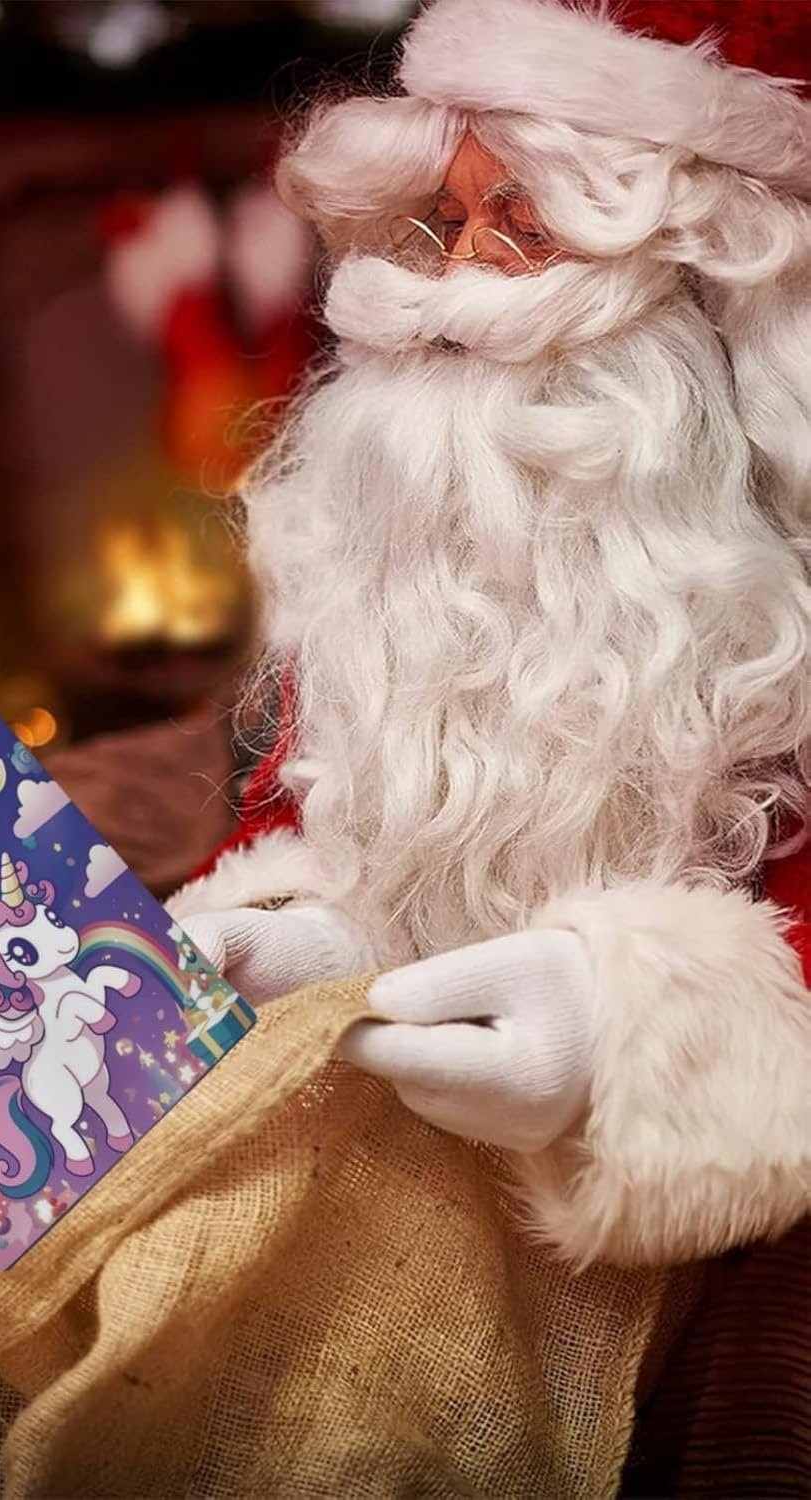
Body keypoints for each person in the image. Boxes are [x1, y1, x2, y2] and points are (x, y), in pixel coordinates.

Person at [171, 0, 811, 1273]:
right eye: (444, 223)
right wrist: (314, 930)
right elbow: (325, 786)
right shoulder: (395, 533)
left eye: (526, 229)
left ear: (702, 282)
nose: (457, 285)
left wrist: (627, 1027)